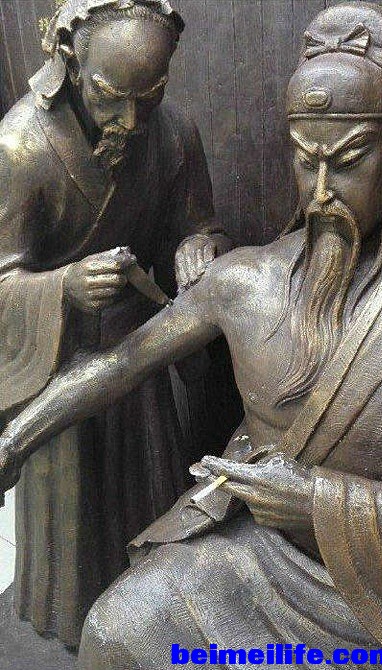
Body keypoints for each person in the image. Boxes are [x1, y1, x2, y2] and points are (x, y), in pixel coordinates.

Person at [0, 2, 382, 667]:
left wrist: (321, 503)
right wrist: (13, 440)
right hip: (261, 554)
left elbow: (195, 223)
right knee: (117, 628)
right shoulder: (249, 282)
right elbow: (118, 365)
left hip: (380, 572)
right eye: (306, 162)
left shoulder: (173, 137)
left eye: (350, 161)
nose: (322, 191)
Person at [0, 0, 233, 647]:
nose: (129, 120)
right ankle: (72, 625)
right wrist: (63, 287)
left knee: (147, 498)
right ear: (70, 65)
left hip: (139, 354)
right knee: (74, 516)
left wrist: (198, 246)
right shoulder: (19, 148)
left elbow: (199, 224)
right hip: (61, 364)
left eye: (148, 97)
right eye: (109, 96)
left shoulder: (175, 133)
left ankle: (147, 626)